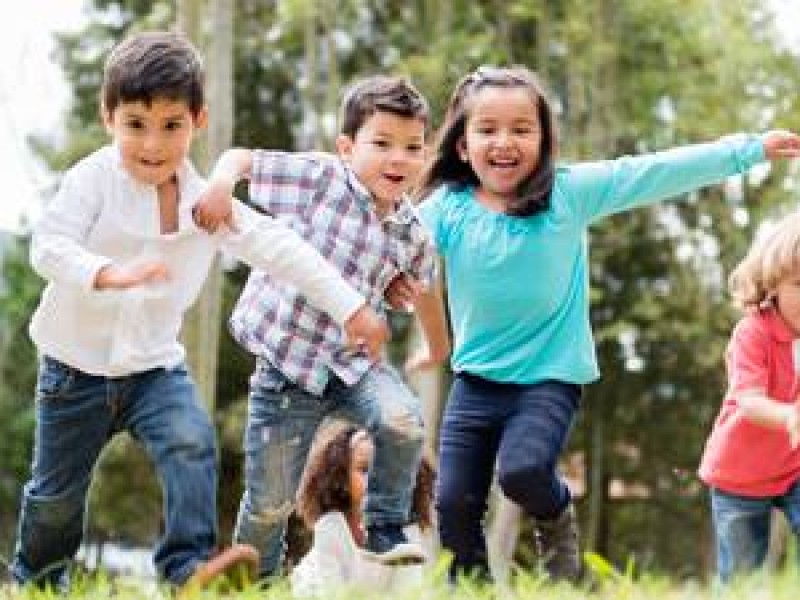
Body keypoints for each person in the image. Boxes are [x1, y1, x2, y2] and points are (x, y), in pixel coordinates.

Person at [8, 30, 389, 591]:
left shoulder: (204, 203)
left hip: (153, 369)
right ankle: (37, 578)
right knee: (56, 496)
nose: (153, 144)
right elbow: (49, 245)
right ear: (108, 117)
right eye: (135, 124)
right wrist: (107, 272)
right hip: (74, 371)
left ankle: (186, 571)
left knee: (192, 440)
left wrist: (351, 307)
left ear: (198, 121)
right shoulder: (93, 179)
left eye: (171, 126)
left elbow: (283, 249)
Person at [406, 65, 800, 583]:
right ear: (462, 146)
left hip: (549, 378)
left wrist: (747, 150)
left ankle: (556, 517)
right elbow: (392, 246)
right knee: (454, 501)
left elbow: (654, 171)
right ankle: (473, 588)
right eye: (487, 129)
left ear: (544, 140)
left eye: (521, 129)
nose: (504, 142)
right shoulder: (445, 211)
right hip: (475, 382)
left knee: (523, 471)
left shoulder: (568, 195)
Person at [192, 74, 450, 579]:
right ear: (348, 147)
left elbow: (425, 294)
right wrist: (221, 185)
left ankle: (384, 526)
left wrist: (438, 348)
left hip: (354, 366)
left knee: (404, 421)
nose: (398, 159)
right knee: (270, 501)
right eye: (382, 144)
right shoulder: (320, 179)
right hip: (287, 369)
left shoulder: (413, 233)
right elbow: (242, 158)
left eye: (413, 147)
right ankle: (252, 583)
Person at [698, 211, 800, 582]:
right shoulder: (752, 333)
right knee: (743, 577)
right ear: (772, 285)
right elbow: (749, 400)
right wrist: (789, 416)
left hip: (793, 468)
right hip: (738, 476)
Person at [290, 421, 426, 597]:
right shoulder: (330, 527)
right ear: (343, 478)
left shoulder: (408, 531)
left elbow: (408, 594)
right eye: (364, 470)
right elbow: (332, 593)